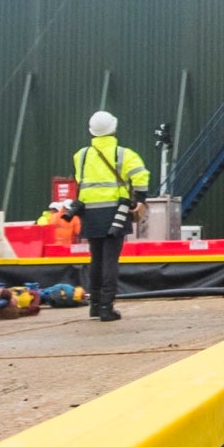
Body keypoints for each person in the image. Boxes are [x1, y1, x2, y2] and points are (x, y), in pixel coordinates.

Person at [71, 111, 149, 321]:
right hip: (116, 211)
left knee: (95, 258)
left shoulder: (81, 155)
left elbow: (80, 180)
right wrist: (140, 198)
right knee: (110, 260)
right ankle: (107, 307)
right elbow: (141, 176)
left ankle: (95, 305)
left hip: (89, 212)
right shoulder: (124, 154)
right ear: (114, 128)